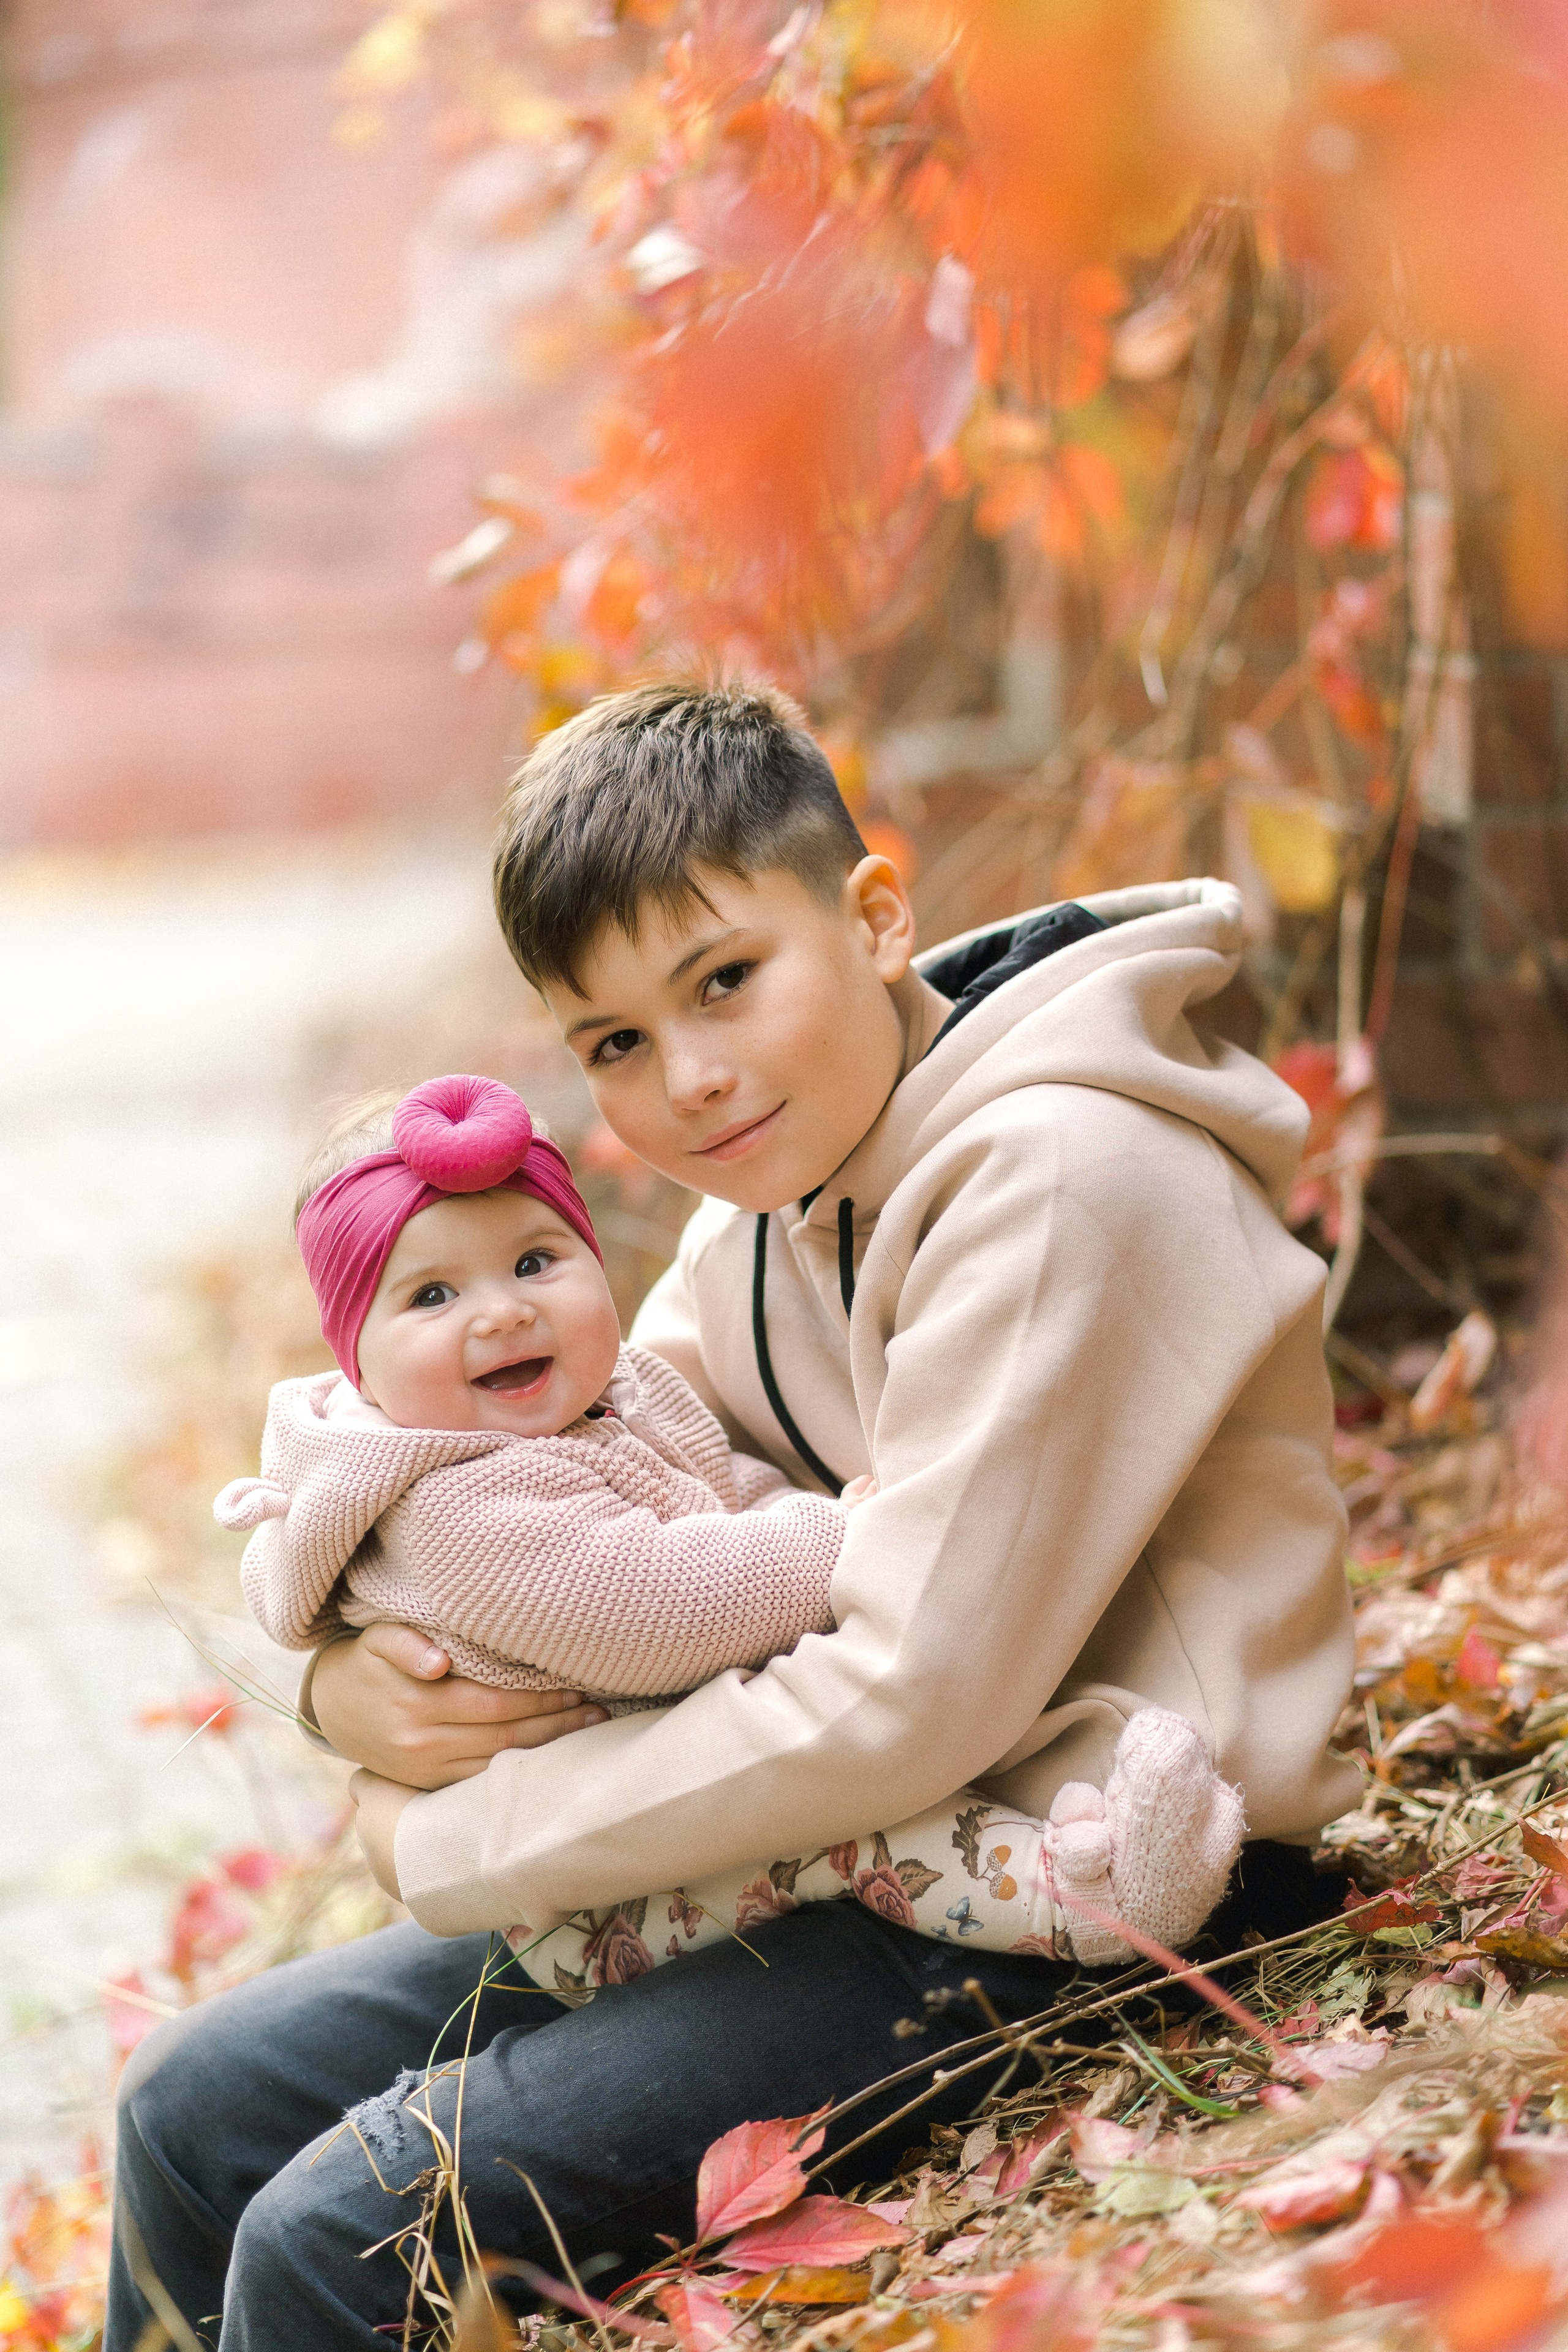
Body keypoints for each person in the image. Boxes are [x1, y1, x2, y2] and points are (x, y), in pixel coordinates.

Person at [107, 679, 1358, 2351]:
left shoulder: (1062, 1178)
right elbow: (548, 1524)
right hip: (837, 1855)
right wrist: (346, 1697)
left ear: (875, 918)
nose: (688, 1081)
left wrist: (447, 1840)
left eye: (723, 982)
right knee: (186, 2108)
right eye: (616, 1043)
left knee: (342, 2231)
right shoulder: (773, 1195)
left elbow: (907, 1699)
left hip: (1085, 1879)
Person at [227, 1068, 1243, 1994]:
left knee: (863, 1796)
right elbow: (654, 1608)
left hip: (673, 1790)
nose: (501, 1314)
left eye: (535, 1261)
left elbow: (720, 1493)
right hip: (594, 1881)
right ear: (355, 1360)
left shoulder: (614, 1394)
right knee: (857, 1837)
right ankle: (1094, 1909)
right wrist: (843, 1537)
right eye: (433, 1295)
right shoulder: (449, 1505)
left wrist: (789, 1514)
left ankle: (1072, 1849)